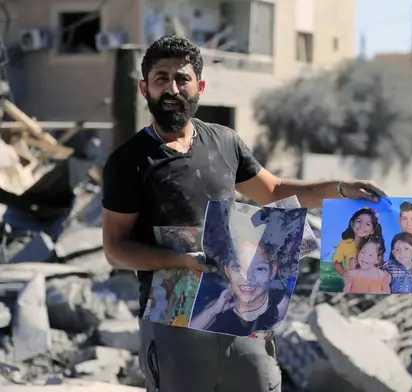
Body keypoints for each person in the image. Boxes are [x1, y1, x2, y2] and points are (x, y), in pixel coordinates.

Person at [101, 35, 387, 392]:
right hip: (174, 320)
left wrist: (340, 189)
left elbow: (274, 192)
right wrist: (180, 260)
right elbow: (115, 248)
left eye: (182, 79)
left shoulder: (225, 142)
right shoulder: (128, 162)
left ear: (199, 86)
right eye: (161, 79)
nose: (172, 89)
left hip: (242, 314)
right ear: (145, 88)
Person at [189, 240, 285, 336]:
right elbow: (187, 336)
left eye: (259, 269)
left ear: (272, 271)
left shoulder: (281, 306)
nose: (247, 278)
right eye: (237, 267)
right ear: (227, 271)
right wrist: (213, 311)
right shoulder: (219, 306)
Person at [333, 207, 383, 278]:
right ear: (352, 223)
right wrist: (345, 277)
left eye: (368, 224)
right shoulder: (344, 244)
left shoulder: (374, 245)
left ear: (372, 231)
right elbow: (337, 263)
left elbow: (378, 264)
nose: (362, 226)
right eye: (359, 221)